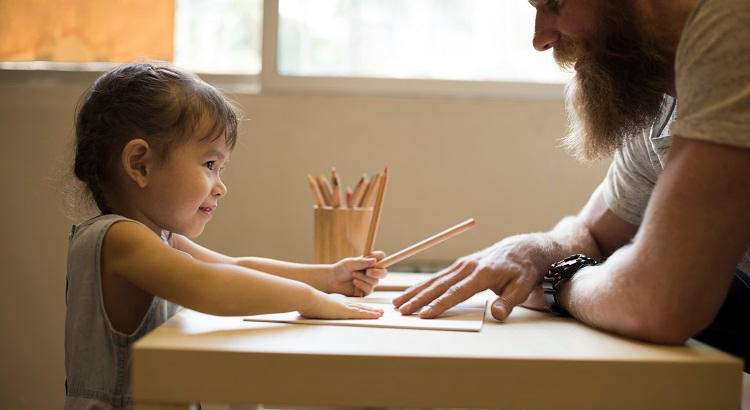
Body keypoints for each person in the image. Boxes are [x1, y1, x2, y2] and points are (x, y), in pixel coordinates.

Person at [394, 0, 750, 370]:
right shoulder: (661, 96)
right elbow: (593, 233)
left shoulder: (734, 24)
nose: (540, 39)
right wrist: (534, 249)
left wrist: (561, 283)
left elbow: (658, 304)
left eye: (554, 4)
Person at [65, 62, 387, 410]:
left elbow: (237, 266)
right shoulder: (119, 238)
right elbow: (209, 285)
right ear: (140, 164)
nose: (221, 187)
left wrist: (329, 277)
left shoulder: (160, 239)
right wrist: (310, 300)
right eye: (209, 166)